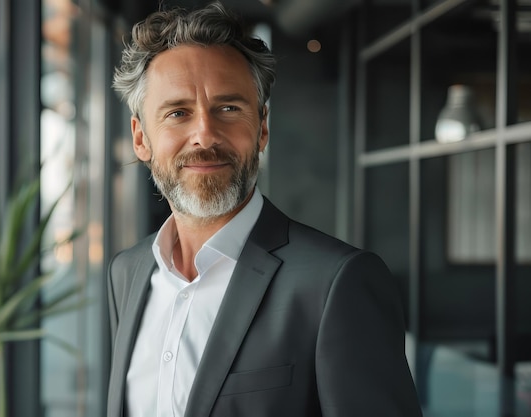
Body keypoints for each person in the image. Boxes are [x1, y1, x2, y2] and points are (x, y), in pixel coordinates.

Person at [107, 2, 423, 416]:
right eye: (178, 112)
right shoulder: (126, 272)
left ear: (263, 128)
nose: (204, 134)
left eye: (228, 108)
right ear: (140, 138)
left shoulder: (336, 285)